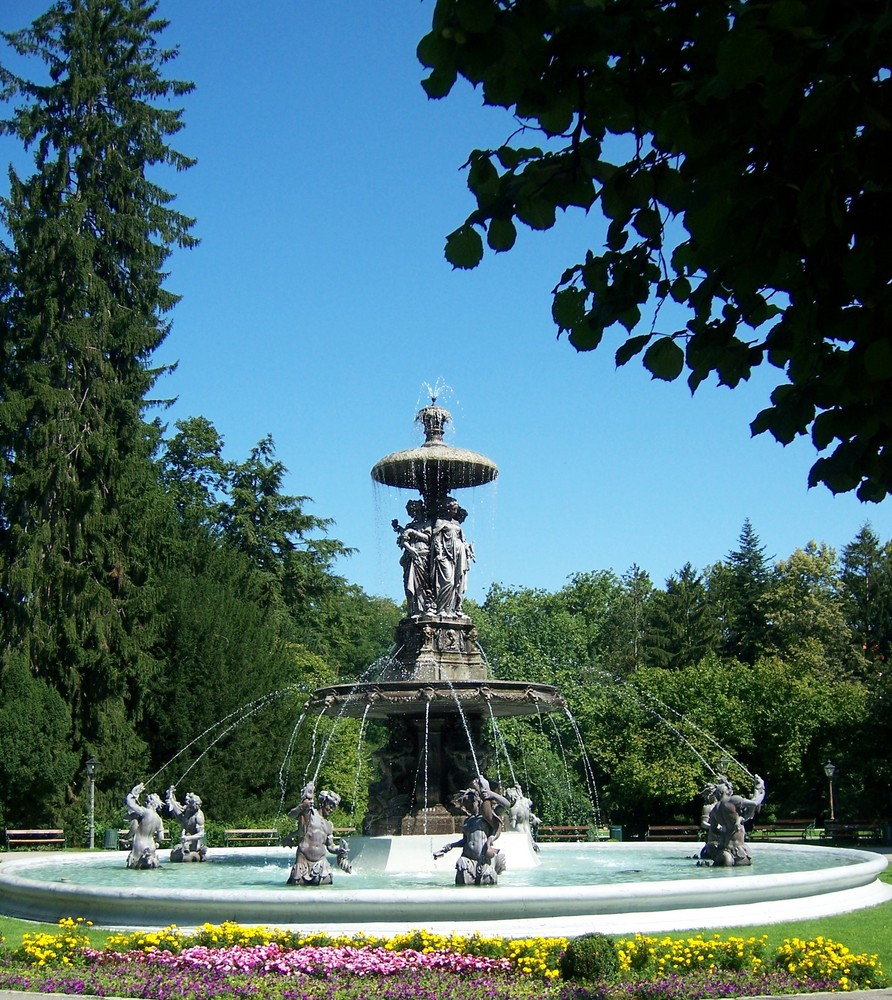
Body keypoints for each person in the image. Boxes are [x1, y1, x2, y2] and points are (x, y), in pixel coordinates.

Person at [434, 775, 510, 885]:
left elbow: (507, 805)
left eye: (471, 803)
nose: (468, 807)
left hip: (484, 860)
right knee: (462, 885)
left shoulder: (488, 816)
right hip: (467, 859)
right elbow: (465, 841)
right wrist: (450, 846)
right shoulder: (468, 821)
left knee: (486, 885)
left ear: (478, 801)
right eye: (466, 804)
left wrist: (491, 794)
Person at [284, 782, 351, 885]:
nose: (331, 809)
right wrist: (301, 807)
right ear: (323, 802)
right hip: (303, 862)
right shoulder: (310, 813)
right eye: (330, 805)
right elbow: (291, 815)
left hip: (321, 865)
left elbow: (330, 846)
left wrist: (339, 850)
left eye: (334, 807)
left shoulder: (329, 825)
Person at [699, 773, 766, 867]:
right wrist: (761, 791)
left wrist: (725, 832)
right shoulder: (734, 800)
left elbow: (713, 830)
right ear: (726, 792)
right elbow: (754, 803)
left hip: (724, 850)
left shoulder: (715, 809)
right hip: (740, 850)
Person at [393, 500, 432, 616]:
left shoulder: (427, 523)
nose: (410, 514)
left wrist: (412, 532)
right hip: (410, 557)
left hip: (422, 555)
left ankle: (422, 609)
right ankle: (413, 609)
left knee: (420, 584)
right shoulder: (410, 526)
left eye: (411, 511)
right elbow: (404, 537)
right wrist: (399, 529)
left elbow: (429, 538)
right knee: (409, 584)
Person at [124, 783, 165, 870]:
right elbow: (161, 837)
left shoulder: (145, 812)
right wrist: (156, 841)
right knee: (151, 872)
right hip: (151, 845)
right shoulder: (159, 819)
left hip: (140, 844)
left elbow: (130, 803)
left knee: (135, 868)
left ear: (149, 802)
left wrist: (133, 793)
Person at [165, 785, 207, 862]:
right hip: (185, 842)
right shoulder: (188, 810)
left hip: (194, 844)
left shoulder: (199, 816)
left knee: (186, 857)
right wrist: (171, 795)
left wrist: (187, 838)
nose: (187, 805)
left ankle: (198, 853)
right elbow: (178, 809)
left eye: (189, 803)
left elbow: (201, 834)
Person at [505, 783, 542, 850]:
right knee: (531, 844)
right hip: (528, 829)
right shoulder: (526, 803)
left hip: (519, 830)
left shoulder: (514, 809)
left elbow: (512, 825)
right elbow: (530, 803)